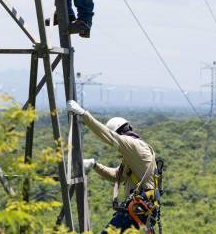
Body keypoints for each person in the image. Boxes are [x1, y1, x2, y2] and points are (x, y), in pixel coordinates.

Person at [67, 99, 159, 233]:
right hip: (141, 209)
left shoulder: (132, 144)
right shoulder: (133, 152)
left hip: (139, 208)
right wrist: (95, 165)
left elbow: (108, 135)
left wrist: (83, 114)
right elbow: (117, 176)